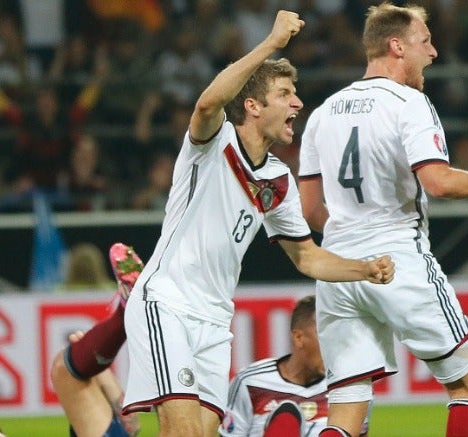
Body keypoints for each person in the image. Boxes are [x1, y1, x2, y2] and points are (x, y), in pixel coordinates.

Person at [121, 11, 394, 437]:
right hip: (168, 301)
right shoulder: (214, 143)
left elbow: (306, 257)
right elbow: (208, 103)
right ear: (252, 106)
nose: (297, 103)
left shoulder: (278, 181)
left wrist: (365, 268)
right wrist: (271, 43)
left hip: (214, 321)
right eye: (285, 94)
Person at [297, 4, 468, 437]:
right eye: (425, 41)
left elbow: (309, 210)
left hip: (338, 269)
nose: (435, 51)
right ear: (397, 45)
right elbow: (438, 182)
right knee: (467, 383)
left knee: (346, 408)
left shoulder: (323, 113)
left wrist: (353, 233)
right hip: (398, 258)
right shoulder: (409, 103)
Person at [221, 295, 371, 437]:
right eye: (327, 337)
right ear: (299, 338)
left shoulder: (350, 386)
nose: (335, 347)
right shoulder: (250, 382)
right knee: (285, 421)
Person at [50, 243, 144, 437]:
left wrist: (93, 367)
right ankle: (126, 313)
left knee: (69, 369)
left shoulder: (59, 290)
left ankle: (126, 312)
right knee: (64, 368)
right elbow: (132, 425)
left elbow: (132, 425)